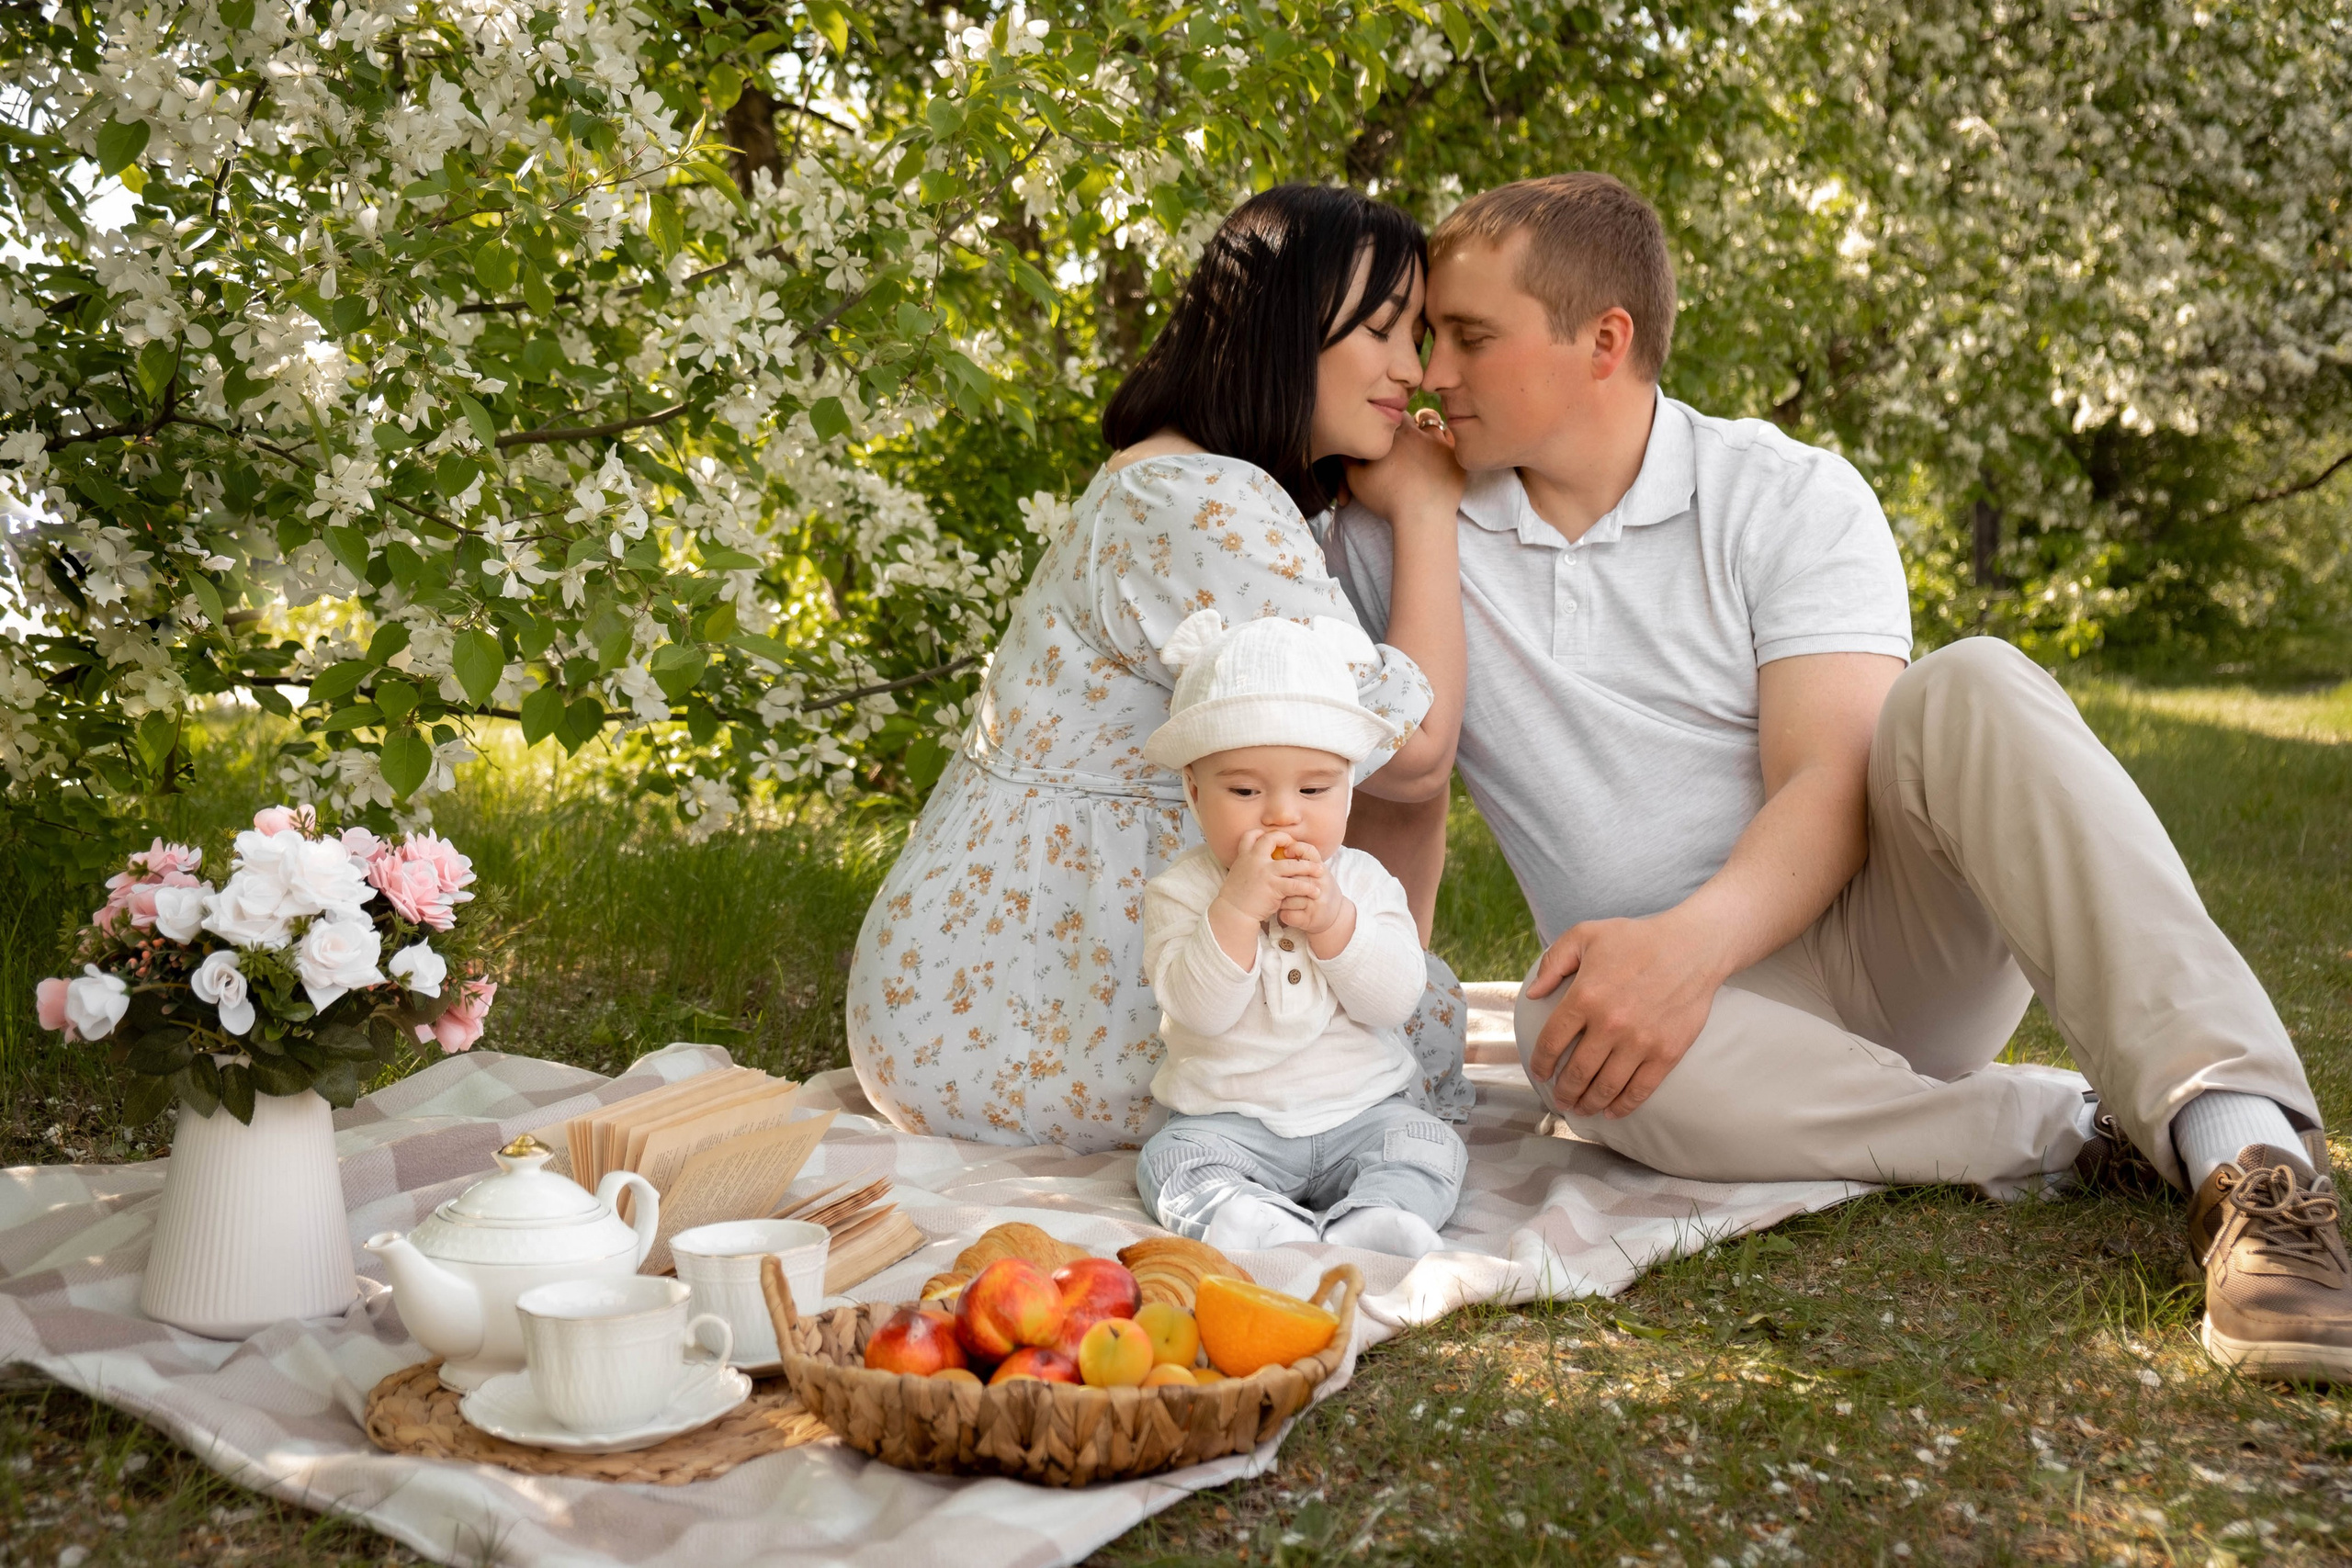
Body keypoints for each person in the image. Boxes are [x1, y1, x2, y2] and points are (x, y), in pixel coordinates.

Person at [1329, 173, 2346, 1381]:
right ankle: (2066, 1129)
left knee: (1972, 681)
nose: (1433, 371)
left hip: (1884, 948)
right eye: (1431, 337)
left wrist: (1684, 948)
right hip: (1699, 1048)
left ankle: (2249, 1161)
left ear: (1603, 342)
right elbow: (1403, 790)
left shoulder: (1786, 494)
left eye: (1472, 338)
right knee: (1560, 1018)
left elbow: (1828, 782)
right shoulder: (1402, 527)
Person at [843, 185, 1473, 1153]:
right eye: (1383, 328)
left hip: (991, 972)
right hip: (1011, 997)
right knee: (1413, 1025)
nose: (1412, 369)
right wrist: (1429, 512)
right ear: (1280, 327)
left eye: (1419, 332)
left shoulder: (1194, 478)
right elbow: (1415, 752)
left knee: (1400, 1001)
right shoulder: (1199, 500)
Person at [1133, 612, 1468, 1259]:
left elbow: (1395, 1001)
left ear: (1347, 792)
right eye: (1245, 788)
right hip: (1228, 1122)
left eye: (1314, 787)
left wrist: (1336, 923)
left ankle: (1379, 1212)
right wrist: (1234, 910)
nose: (1283, 813)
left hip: (1364, 1112)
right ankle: (1249, 1217)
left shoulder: (1365, 882)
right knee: (1168, 1160)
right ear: (1195, 791)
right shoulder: (1182, 890)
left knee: (1430, 1144)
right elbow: (1198, 1011)